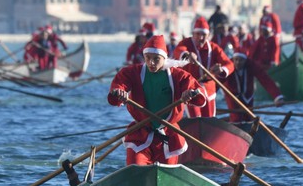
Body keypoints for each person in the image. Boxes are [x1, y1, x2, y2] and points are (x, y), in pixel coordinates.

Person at [108, 35, 206, 165]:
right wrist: (119, 92)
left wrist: (189, 94)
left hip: (169, 137)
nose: (151, 63)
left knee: (167, 175)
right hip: (140, 136)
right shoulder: (134, 72)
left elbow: (196, 92)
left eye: (156, 59)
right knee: (136, 169)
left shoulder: (177, 75)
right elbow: (120, 82)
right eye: (147, 58)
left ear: (164, 58)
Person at [173, 16, 234, 117]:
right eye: (198, 34)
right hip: (191, 89)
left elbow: (229, 64)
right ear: (193, 34)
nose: (201, 38)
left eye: (204, 35)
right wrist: (187, 55)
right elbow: (178, 50)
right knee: (195, 118)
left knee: (209, 119)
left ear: (208, 35)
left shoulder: (214, 47)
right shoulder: (186, 43)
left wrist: (221, 70)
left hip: (209, 90)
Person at [223, 51, 284, 123]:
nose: (238, 62)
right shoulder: (228, 65)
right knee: (236, 118)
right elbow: (217, 81)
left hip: (248, 97)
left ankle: (247, 129)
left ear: (245, 60)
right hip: (232, 96)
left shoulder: (252, 65)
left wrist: (277, 96)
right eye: (236, 59)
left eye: (241, 60)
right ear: (233, 59)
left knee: (248, 118)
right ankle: (233, 123)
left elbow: (265, 79)